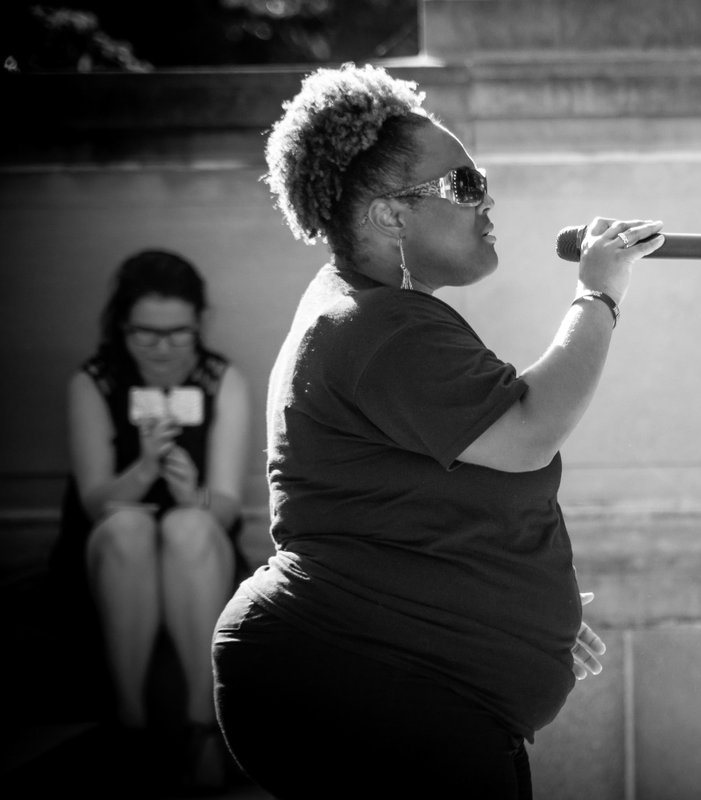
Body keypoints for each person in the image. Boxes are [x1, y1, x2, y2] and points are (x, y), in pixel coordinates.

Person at [211, 63, 664, 798]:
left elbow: (406, 508)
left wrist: (504, 614)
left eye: (479, 176)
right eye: (463, 185)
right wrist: (598, 293)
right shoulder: (378, 326)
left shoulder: (370, 310)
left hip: (398, 677)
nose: (487, 200)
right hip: (358, 682)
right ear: (390, 215)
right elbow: (528, 429)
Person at [50, 249, 251, 792]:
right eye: (146, 335)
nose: (163, 349)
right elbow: (96, 504)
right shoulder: (96, 381)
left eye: (178, 334)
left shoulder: (220, 380)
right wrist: (142, 469)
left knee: (187, 526)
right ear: (122, 327)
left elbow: (227, 506)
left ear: (199, 324)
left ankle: (201, 728)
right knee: (128, 526)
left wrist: (193, 494)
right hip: (111, 548)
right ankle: (131, 725)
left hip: (199, 547)